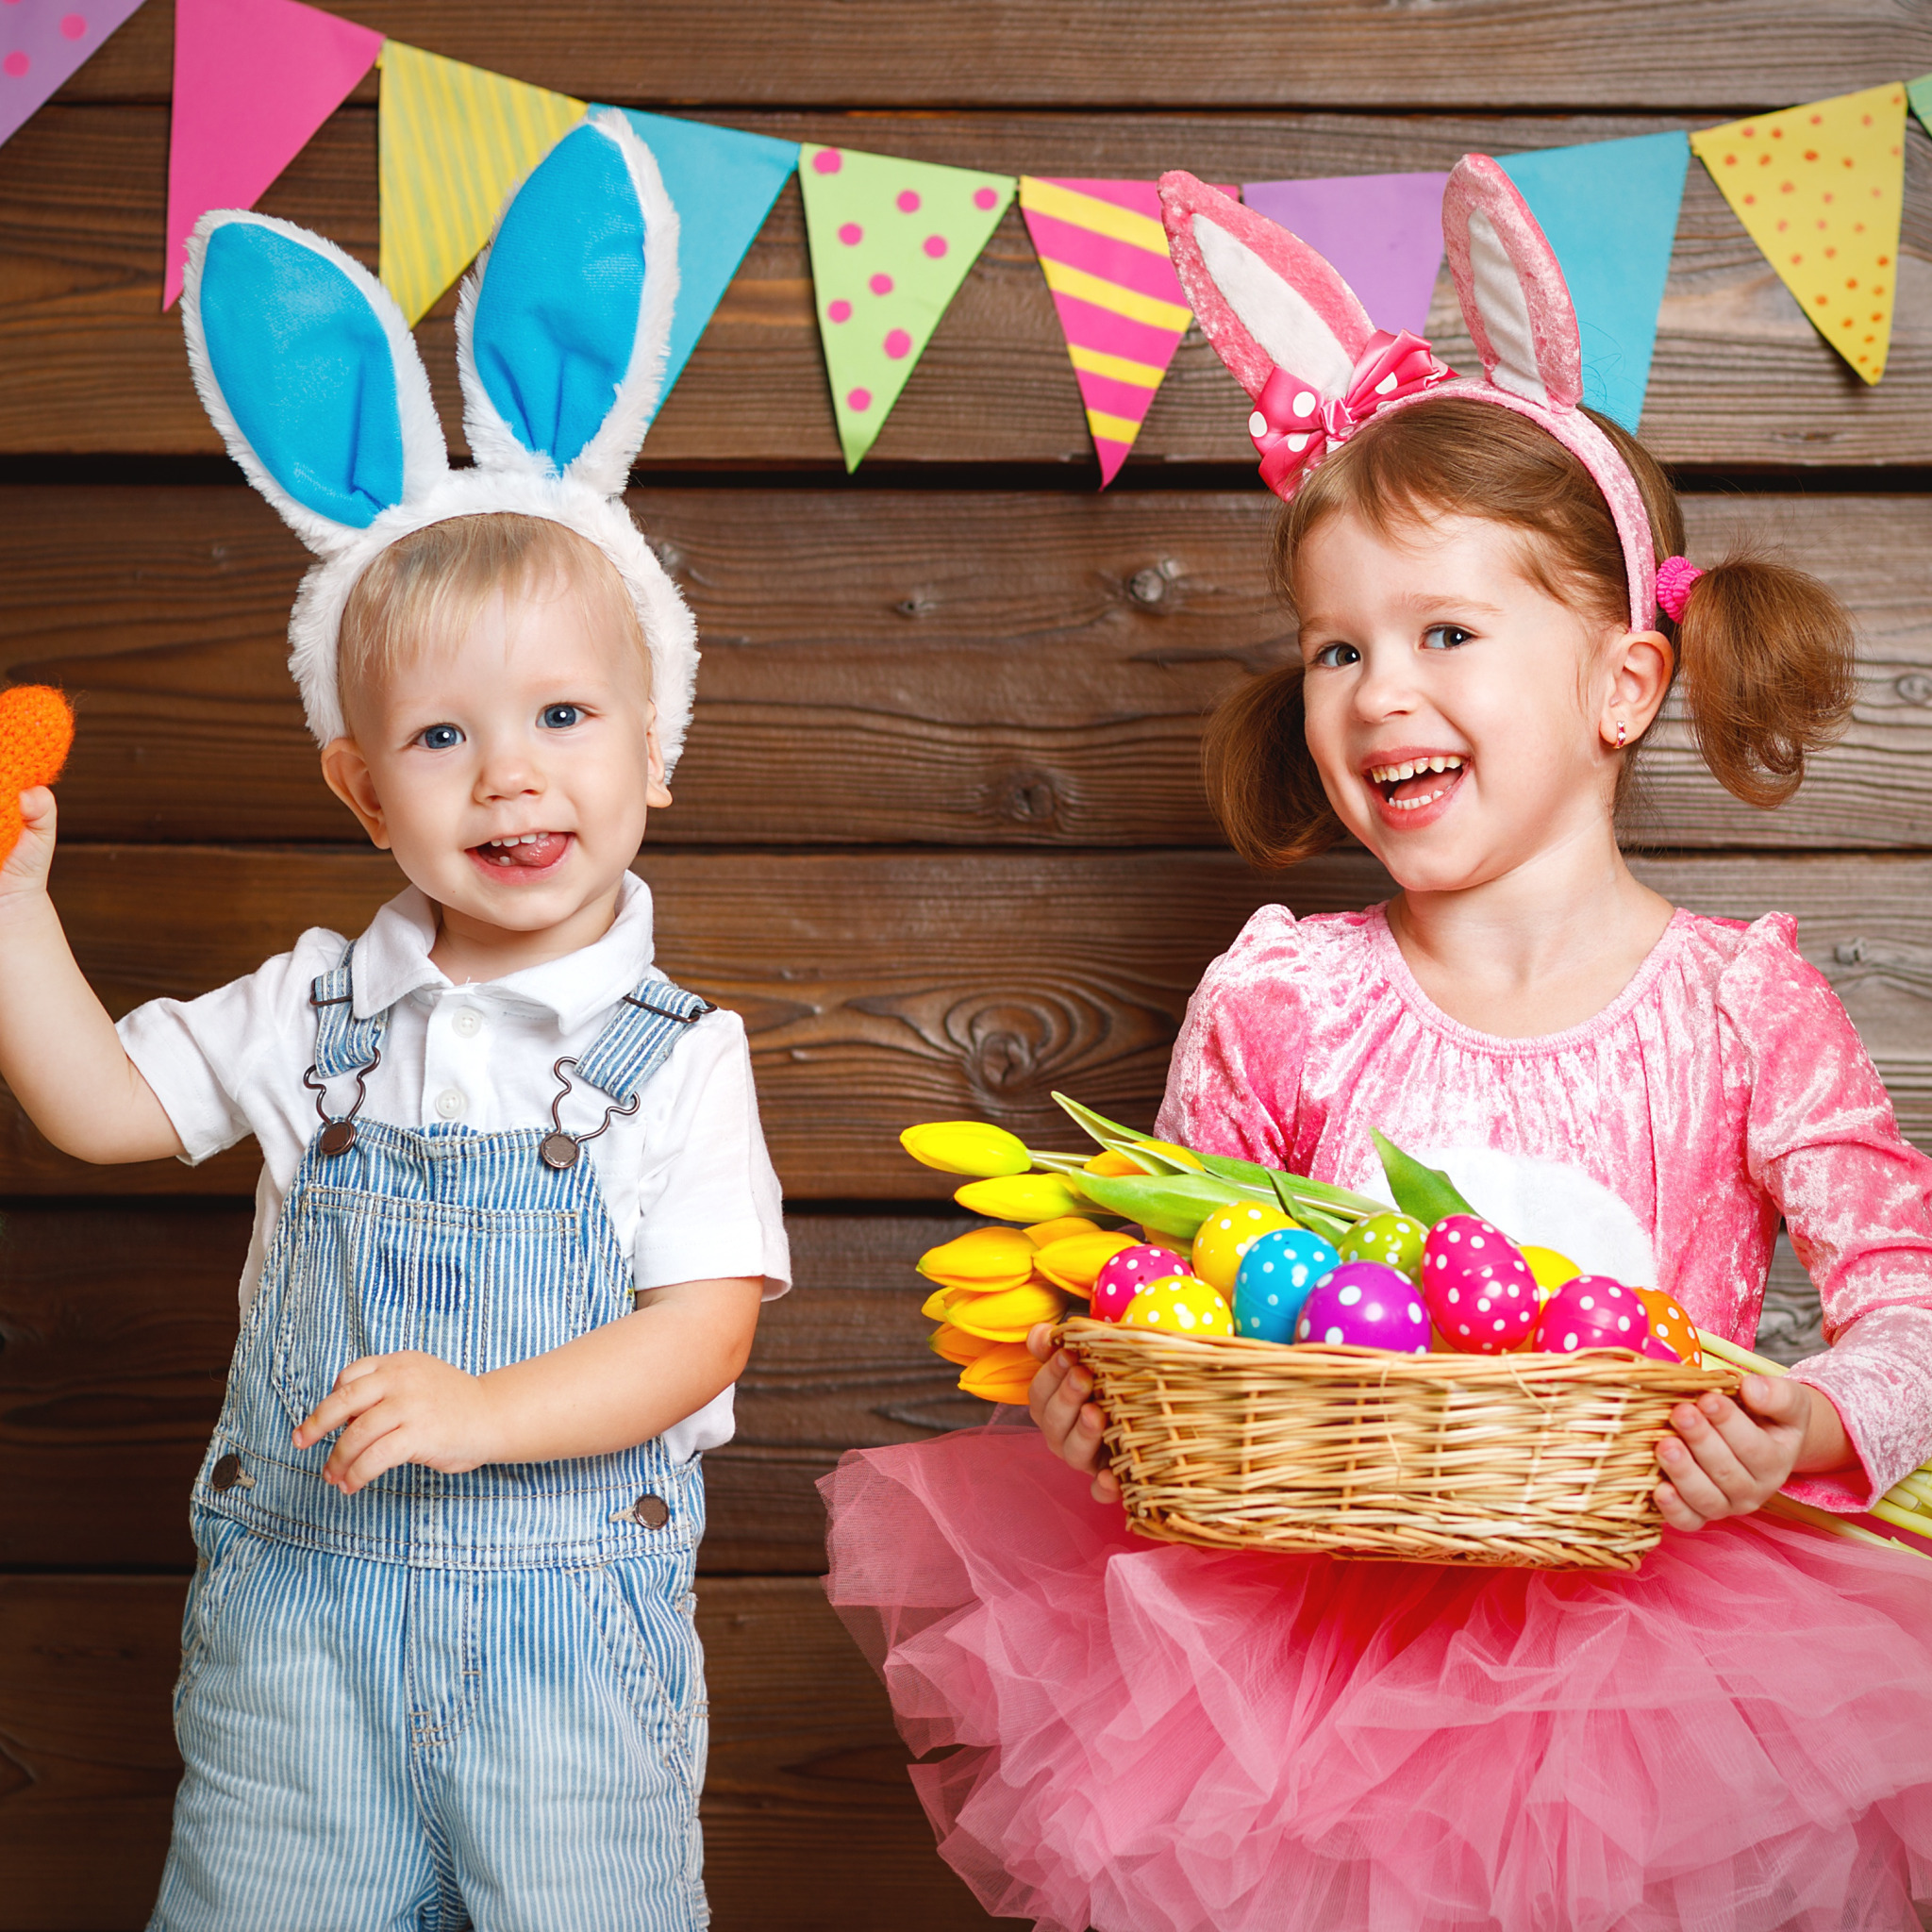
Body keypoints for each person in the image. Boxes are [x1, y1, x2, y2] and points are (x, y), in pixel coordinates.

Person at [821, 158, 1932, 1931]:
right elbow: (1154, 1297)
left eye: (1445, 633)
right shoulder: (1285, 997)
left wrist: (1800, 1427)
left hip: (1673, 1677)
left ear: (1620, 684)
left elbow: (1913, 1300)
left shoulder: (1739, 1001)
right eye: (1336, 646)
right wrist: (1091, 1402)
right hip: (1304, 1668)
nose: (1377, 692)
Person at [0, 116, 786, 1932]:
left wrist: (489, 1410)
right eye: (444, 739)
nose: (511, 774)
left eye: (566, 719)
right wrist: (18, 910)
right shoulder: (318, 1007)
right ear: (364, 791)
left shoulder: (678, 1050)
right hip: (303, 1681)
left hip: (563, 1694)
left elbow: (702, 1339)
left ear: (653, 740)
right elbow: (103, 1108)